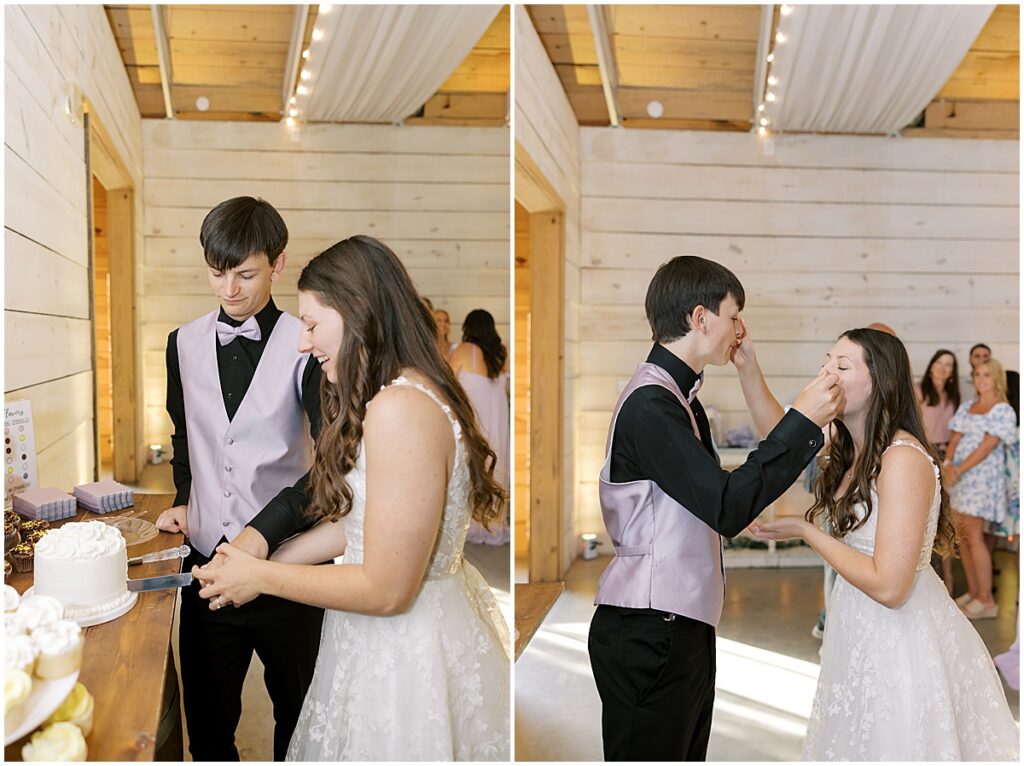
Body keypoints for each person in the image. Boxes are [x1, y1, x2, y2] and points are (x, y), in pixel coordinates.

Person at [193, 236, 510, 761]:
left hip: (406, 652)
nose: (303, 342)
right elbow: (366, 521)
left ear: (358, 313)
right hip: (380, 640)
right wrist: (257, 560)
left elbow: (387, 588)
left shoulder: (400, 410)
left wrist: (263, 578)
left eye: (313, 325)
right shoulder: (400, 394)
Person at [588, 255, 843, 762]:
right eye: (733, 315)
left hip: (678, 622)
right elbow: (724, 506)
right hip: (648, 627)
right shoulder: (651, 404)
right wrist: (803, 419)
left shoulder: (678, 397)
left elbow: (705, 500)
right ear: (700, 318)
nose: (740, 329)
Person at [750, 329, 1019, 761]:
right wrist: (748, 368)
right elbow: (779, 437)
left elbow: (891, 588)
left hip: (902, 636)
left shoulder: (902, 459)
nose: (826, 374)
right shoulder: (852, 448)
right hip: (858, 622)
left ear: (881, 381)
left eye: (841, 366)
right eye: (826, 362)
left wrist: (808, 532)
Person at [157, 196, 325, 761]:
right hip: (206, 562)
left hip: (289, 565)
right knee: (206, 725)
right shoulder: (181, 343)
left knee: (300, 719)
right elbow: (186, 435)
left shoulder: (308, 344)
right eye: (217, 272)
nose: (229, 289)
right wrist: (186, 497)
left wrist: (264, 536)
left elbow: (332, 465)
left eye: (246, 274)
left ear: (278, 265)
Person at [944, 357, 1016, 619]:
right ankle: (974, 592)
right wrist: (949, 464)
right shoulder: (967, 407)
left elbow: (987, 447)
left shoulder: (1002, 411)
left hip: (980, 480)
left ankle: (986, 599)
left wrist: (959, 470)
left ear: (996, 377)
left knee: (974, 537)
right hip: (958, 478)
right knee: (963, 537)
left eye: (986, 374)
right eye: (976, 374)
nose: (981, 379)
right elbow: (955, 438)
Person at [450, 309, 510, 545]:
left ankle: (471, 522)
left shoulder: (464, 351)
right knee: (495, 468)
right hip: (497, 422)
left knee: (471, 468)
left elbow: (448, 382)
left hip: (474, 420)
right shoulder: (500, 353)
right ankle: (492, 522)